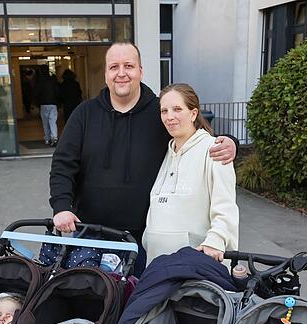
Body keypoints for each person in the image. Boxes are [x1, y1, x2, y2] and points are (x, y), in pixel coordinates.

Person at [49, 42, 238, 275]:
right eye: (114, 67)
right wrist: (61, 206)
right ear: (106, 74)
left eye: (129, 66)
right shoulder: (84, 114)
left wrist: (230, 142)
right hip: (90, 235)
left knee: (139, 295)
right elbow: (63, 164)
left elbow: (192, 134)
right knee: (89, 293)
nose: (121, 73)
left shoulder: (160, 111)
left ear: (140, 71)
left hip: (143, 241)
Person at [143, 83, 239, 263]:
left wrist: (216, 240)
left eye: (177, 109)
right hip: (158, 266)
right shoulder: (167, 153)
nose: (169, 117)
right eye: (164, 111)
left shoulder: (215, 150)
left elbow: (226, 206)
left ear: (193, 113)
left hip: (195, 267)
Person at [35, 68, 60, 146]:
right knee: (53, 122)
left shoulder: (39, 82)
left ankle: (47, 139)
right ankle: (54, 138)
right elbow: (58, 92)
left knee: (45, 123)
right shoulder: (53, 81)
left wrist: (37, 103)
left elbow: (36, 93)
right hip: (53, 104)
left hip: (43, 104)